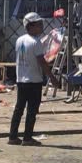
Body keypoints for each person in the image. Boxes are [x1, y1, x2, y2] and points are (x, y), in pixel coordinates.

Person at [10, 12, 50, 146]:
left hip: (21, 80)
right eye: (39, 24)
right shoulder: (36, 42)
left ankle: (13, 136)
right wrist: (52, 78)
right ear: (31, 26)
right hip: (34, 81)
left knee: (19, 109)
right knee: (32, 111)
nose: (41, 27)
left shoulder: (19, 40)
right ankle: (27, 138)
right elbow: (42, 62)